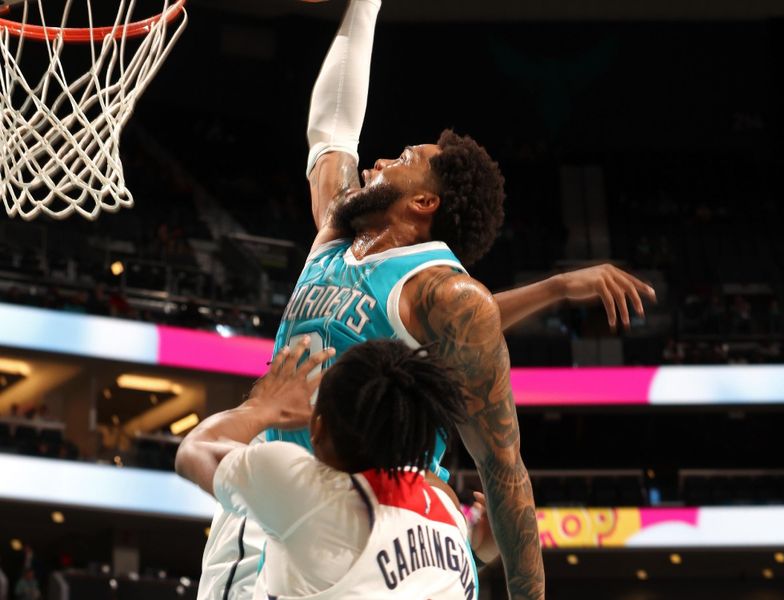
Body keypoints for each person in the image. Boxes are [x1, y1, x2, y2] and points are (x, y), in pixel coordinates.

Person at [191, 2, 656, 599]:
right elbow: (331, 130)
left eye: (404, 161)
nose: (380, 160)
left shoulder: (449, 295)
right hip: (295, 507)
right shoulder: (339, 231)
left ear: (424, 205)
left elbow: (505, 470)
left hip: (375, 524)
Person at [177, 338, 497, 598]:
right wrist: (477, 555)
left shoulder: (302, 489)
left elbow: (195, 450)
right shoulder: (446, 513)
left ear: (318, 428)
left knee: (253, 454)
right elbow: (396, 581)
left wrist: (261, 407)